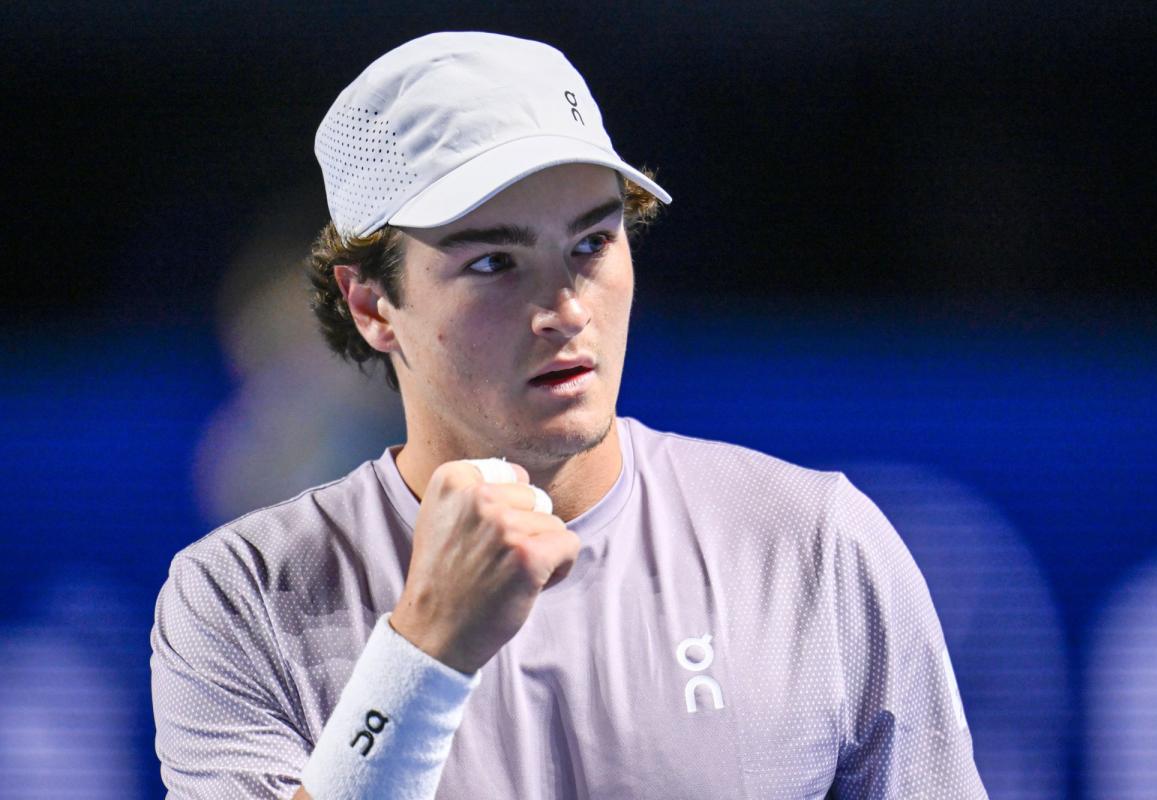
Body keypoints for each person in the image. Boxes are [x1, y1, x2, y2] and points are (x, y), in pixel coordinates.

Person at [150, 31, 988, 799]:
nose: (565, 309)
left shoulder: (817, 545)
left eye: (592, 243)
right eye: (493, 261)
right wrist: (426, 651)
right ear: (371, 304)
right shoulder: (239, 595)